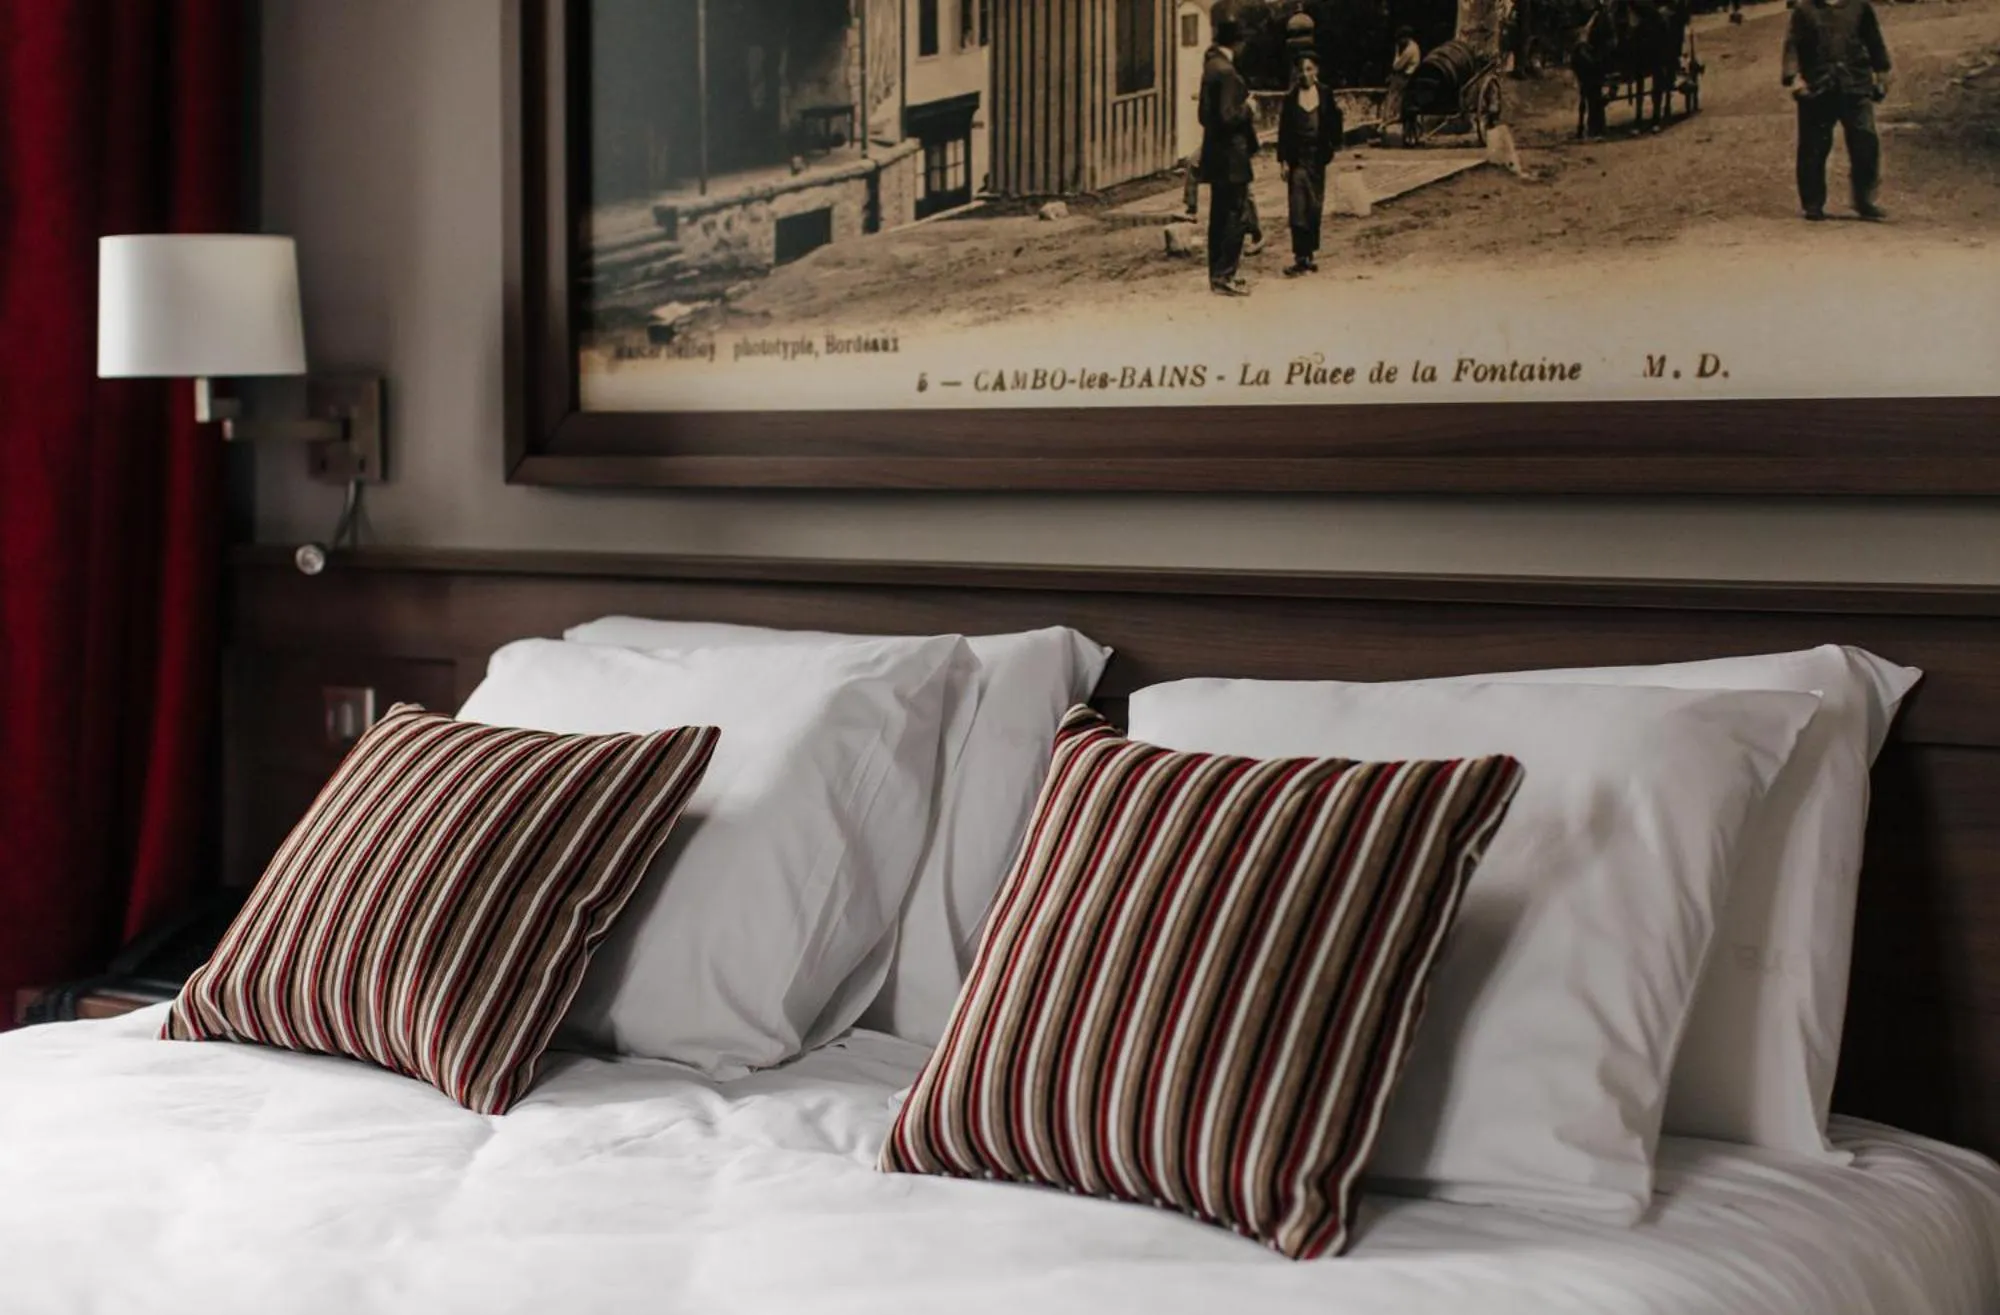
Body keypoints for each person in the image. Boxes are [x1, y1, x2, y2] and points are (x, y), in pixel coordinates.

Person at [1782, 0, 1891, 221]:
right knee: (1813, 146)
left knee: (1865, 140)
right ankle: (1812, 203)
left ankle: (1865, 200)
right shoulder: (1805, 10)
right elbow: (1793, 44)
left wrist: (1882, 73)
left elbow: (1874, 40)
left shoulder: (1859, 7)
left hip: (1855, 84)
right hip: (1817, 87)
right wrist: (1795, 77)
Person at [1199, 12, 1262, 295]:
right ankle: (1227, 275)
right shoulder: (1227, 72)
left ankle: (1217, 275)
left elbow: (1205, 116)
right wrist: (1248, 108)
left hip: (1215, 156)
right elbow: (1228, 116)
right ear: (1236, 43)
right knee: (1236, 215)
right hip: (1233, 158)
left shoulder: (1210, 67)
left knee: (1219, 216)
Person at [1278, 52, 1342, 276]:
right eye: (1301, 70)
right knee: (1298, 208)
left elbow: (1335, 120)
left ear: (1316, 71)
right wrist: (1284, 161)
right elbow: (1284, 131)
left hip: (1317, 160)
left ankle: (1309, 255)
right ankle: (1299, 257)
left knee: (1315, 207)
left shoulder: (1325, 94)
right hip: (1298, 160)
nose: (1304, 75)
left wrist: (1332, 146)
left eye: (1309, 69)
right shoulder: (1291, 98)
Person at [1388, 27, 1421, 145]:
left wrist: (1396, 52)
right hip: (1411, 78)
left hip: (1407, 78)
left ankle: (1391, 117)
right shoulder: (1414, 46)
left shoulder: (1409, 51)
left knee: (1396, 98)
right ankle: (1409, 136)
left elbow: (1396, 66)